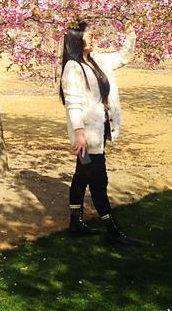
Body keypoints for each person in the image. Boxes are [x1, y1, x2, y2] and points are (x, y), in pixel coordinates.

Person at [60, 20, 140, 246]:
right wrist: (79, 133)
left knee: (82, 176)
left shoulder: (97, 60)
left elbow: (122, 58)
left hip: (99, 129)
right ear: (77, 39)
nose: (94, 38)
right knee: (98, 179)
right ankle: (112, 228)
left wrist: (130, 36)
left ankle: (75, 223)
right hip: (87, 136)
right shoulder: (73, 68)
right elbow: (73, 104)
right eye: (89, 35)